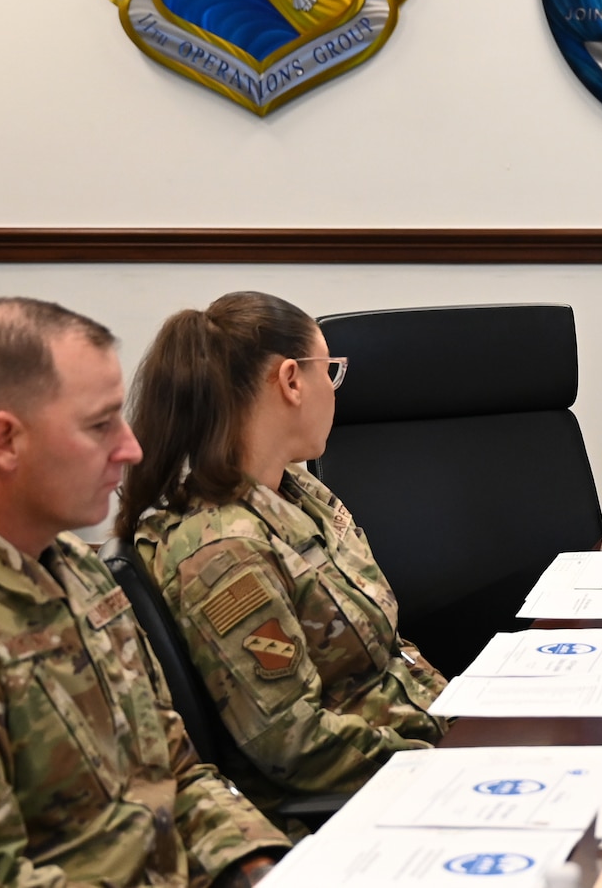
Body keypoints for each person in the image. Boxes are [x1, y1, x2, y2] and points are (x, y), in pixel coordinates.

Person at [115, 292, 448, 815]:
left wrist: (465, 716)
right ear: (292, 380)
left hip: (417, 745)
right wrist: (446, 758)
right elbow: (293, 745)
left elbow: (386, 652)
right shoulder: (224, 550)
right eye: (329, 371)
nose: (335, 391)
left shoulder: (297, 491)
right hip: (361, 799)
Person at [0, 296, 289, 886]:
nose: (131, 449)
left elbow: (176, 767)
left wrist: (257, 866)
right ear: (6, 440)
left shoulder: (78, 569)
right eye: (100, 424)